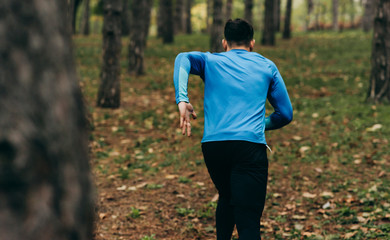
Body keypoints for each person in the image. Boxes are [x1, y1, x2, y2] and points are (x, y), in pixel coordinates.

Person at [173, 19, 293, 240]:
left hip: (213, 147)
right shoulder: (267, 66)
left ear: (224, 43)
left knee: (227, 197)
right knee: (248, 220)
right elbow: (285, 114)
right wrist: (259, 124)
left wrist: (182, 99)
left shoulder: (210, 61)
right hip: (249, 147)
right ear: (252, 43)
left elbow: (183, 58)